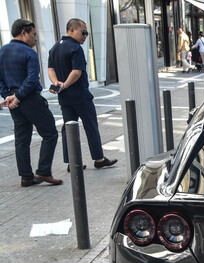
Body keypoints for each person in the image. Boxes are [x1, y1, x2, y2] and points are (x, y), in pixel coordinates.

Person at [48, 18, 117, 171]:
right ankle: (99, 158)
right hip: (79, 94)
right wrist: (65, 84)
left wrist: (58, 84)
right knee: (90, 125)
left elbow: (50, 69)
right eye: (83, 32)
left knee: (68, 128)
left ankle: (71, 162)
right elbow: (77, 72)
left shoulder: (54, 48)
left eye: (87, 33)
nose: (85, 36)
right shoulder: (75, 48)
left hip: (64, 97)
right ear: (71, 30)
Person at [0, 19, 62, 187]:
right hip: (29, 99)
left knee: (22, 139)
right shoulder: (29, 53)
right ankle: (43, 172)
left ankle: (26, 177)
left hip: (14, 101)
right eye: (34, 35)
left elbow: (0, 80)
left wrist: (9, 97)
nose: (35, 39)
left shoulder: (2, 51)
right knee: (50, 133)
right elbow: (31, 79)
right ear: (23, 33)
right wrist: (18, 97)